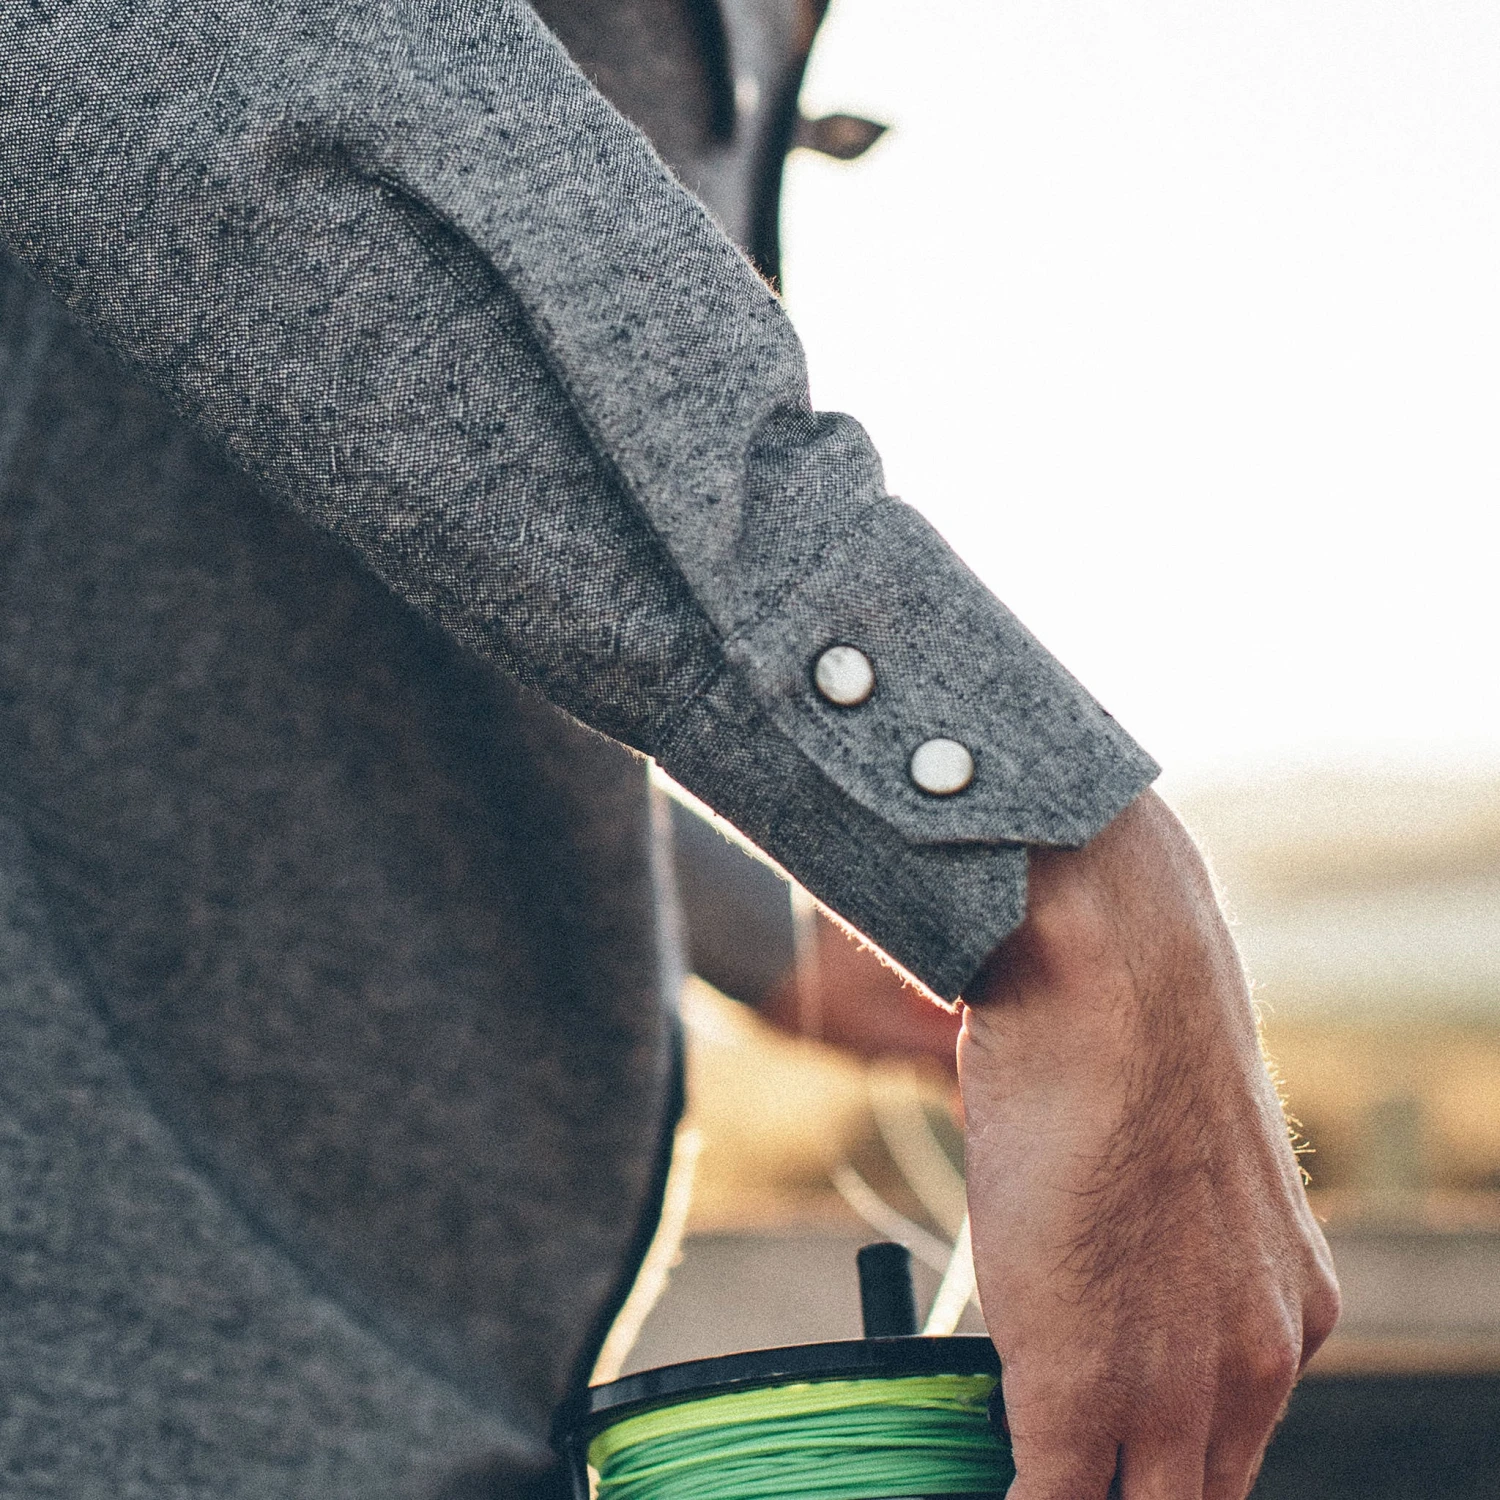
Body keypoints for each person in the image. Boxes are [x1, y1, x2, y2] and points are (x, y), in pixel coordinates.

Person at [0, 1, 1338, 1497]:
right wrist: (1051, 872)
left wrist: (774, 932)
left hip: (431, 1357)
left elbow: (442, 520)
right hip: (119, 1344)